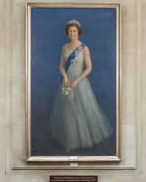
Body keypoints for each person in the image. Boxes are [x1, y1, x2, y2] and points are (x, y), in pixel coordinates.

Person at [48, 19, 113, 151]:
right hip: (67, 82)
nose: (72, 33)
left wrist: (77, 80)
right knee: (67, 111)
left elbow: (89, 68)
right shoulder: (64, 47)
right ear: (67, 33)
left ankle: (83, 139)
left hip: (80, 83)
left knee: (83, 111)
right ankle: (70, 142)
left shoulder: (84, 48)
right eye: (70, 31)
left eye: (74, 31)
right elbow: (61, 66)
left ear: (78, 32)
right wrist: (65, 76)